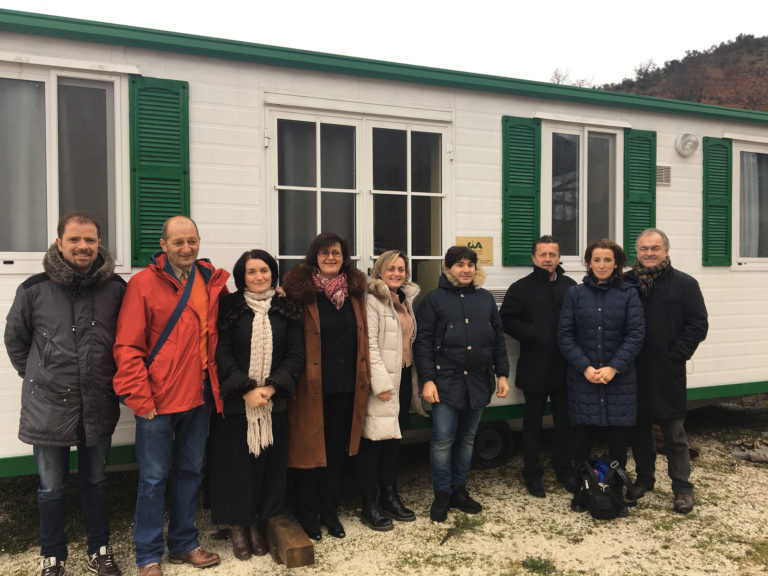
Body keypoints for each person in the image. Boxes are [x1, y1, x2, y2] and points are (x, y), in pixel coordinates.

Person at [4, 212, 126, 576]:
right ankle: (52, 556)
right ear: (60, 243)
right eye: (74, 239)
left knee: (96, 481)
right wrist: (39, 377)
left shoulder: (117, 289)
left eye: (90, 240)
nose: (83, 246)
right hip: (47, 406)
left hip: (98, 403)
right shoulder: (33, 289)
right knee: (52, 487)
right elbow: (16, 341)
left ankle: (99, 549)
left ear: (99, 243)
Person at [113, 216, 229, 576]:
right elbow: (128, 346)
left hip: (199, 397)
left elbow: (233, 317)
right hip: (157, 404)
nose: (186, 248)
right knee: (152, 479)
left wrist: (279, 293)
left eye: (192, 241)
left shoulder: (210, 281)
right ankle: (148, 555)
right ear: (163, 245)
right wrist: (140, 398)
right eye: (178, 242)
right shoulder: (143, 284)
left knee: (190, 473)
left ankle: (183, 544)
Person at [208, 250, 305, 559]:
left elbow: (295, 353)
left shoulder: (286, 308)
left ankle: (260, 522)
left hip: (271, 403)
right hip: (238, 404)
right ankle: (239, 524)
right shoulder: (229, 308)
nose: (259, 277)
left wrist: (273, 386)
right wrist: (246, 389)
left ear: (273, 273)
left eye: (264, 270)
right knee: (236, 467)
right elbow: (220, 353)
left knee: (268, 466)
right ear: (242, 276)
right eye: (252, 272)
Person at [283, 232, 371, 541]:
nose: (330, 257)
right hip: (311, 388)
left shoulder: (356, 292)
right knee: (309, 453)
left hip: (346, 388)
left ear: (344, 257)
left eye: (336, 252)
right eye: (324, 253)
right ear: (314, 256)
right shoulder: (300, 293)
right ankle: (308, 515)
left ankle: (329, 512)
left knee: (335, 453)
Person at [413, 245, 510, 522]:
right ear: (447, 268)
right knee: (443, 441)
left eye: (470, 264)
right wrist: (428, 380)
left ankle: (459, 491)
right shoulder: (433, 301)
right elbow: (423, 344)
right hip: (445, 382)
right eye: (459, 264)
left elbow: (498, 339)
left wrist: (502, 374)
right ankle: (442, 494)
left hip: (479, 380)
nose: (466, 269)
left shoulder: (486, 300)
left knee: (467, 440)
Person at [626, 229, 708, 514]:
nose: (649, 253)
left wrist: (677, 355)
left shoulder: (685, 284)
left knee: (673, 434)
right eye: (644, 248)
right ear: (637, 252)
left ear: (666, 251)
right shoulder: (626, 282)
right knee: (639, 432)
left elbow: (698, 324)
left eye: (655, 248)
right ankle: (645, 479)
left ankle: (682, 489)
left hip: (667, 370)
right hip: (633, 370)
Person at [558, 239, 645, 480]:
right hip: (583, 378)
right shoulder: (575, 294)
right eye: (596, 259)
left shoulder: (629, 294)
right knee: (583, 435)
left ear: (616, 263)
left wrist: (614, 367)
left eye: (608, 260)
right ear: (588, 263)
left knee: (618, 438)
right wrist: (584, 366)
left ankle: (616, 485)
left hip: (619, 379)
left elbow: (636, 334)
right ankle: (582, 485)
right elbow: (565, 334)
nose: (602, 265)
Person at [500, 235, 576, 498]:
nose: (547, 259)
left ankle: (564, 470)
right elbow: (505, 320)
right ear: (533, 258)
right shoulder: (521, 288)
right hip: (534, 368)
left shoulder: (571, 287)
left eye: (552, 254)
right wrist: (534, 333)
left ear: (558, 257)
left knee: (564, 424)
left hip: (566, 369)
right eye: (542, 254)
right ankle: (532, 474)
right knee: (532, 424)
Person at [357, 250, 420, 531]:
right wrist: (380, 384)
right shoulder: (372, 300)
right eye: (391, 268)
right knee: (373, 443)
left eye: (402, 269)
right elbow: (368, 345)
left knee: (394, 440)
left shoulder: (405, 300)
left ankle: (390, 497)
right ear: (379, 272)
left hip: (403, 378)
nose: (397, 273)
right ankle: (369, 504)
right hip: (381, 383)